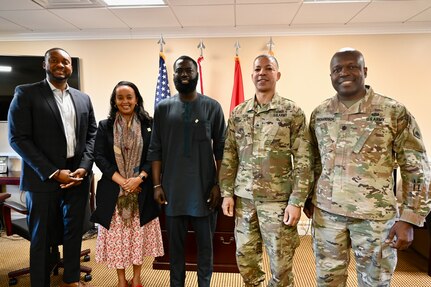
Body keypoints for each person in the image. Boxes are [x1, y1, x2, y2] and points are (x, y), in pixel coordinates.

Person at [305, 48, 431, 286]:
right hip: (327, 216)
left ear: (364, 71)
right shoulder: (320, 113)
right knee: (327, 280)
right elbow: (314, 161)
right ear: (330, 75)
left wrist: (410, 218)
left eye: (352, 66)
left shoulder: (393, 112)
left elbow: (416, 167)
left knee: (375, 282)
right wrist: (307, 197)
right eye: (337, 69)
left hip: (375, 219)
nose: (344, 73)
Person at [8, 47, 97, 287]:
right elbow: (18, 138)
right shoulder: (26, 94)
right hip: (43, 177)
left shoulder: (82, 98)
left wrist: (84, 167)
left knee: (73, 231)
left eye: (66, 62)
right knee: (41, 236)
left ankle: (70, 279)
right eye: (54, 61)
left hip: (77, 176)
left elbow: (92, 135)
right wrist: (54, 172)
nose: (61, 65)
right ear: (45, 65)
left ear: (71, 67)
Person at [220, 54, 311, 287]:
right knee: (245, 258)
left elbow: (303, 159)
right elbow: (230, 155)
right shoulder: (239, 113)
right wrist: (227, 193)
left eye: (268, 68)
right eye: (258, 69)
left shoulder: (292, 112)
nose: (262, 72)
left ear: (277, 75)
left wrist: (297, 201)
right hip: (245, 200)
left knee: (281, 262)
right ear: (251, 76)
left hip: (278, 202)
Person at [147, 55, 226, 287]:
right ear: (172, 76)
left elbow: (221, 150)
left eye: (188, 70)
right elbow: (155, 149)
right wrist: (157, 185)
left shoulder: (212, 107)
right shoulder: (163, 108)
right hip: (173, 191)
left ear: (196, 74)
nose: (184, 74)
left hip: (204, 191)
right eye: (179, 70)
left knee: (205, 249)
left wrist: (218, 185)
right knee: (176, 250)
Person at [90, 81, 164, 287]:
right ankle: (122, 280)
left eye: (129, 97)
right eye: (120, 97)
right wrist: (123, 181)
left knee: (137, 239)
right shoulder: (105, 126)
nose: (125, 101)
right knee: (118, 241)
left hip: (142, 190)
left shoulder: (150, 124)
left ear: (137, 99)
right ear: (114, 101)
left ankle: (137, 278)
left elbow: (155, 154)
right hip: (114, 191)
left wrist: (139, 178)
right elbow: (99, 157)